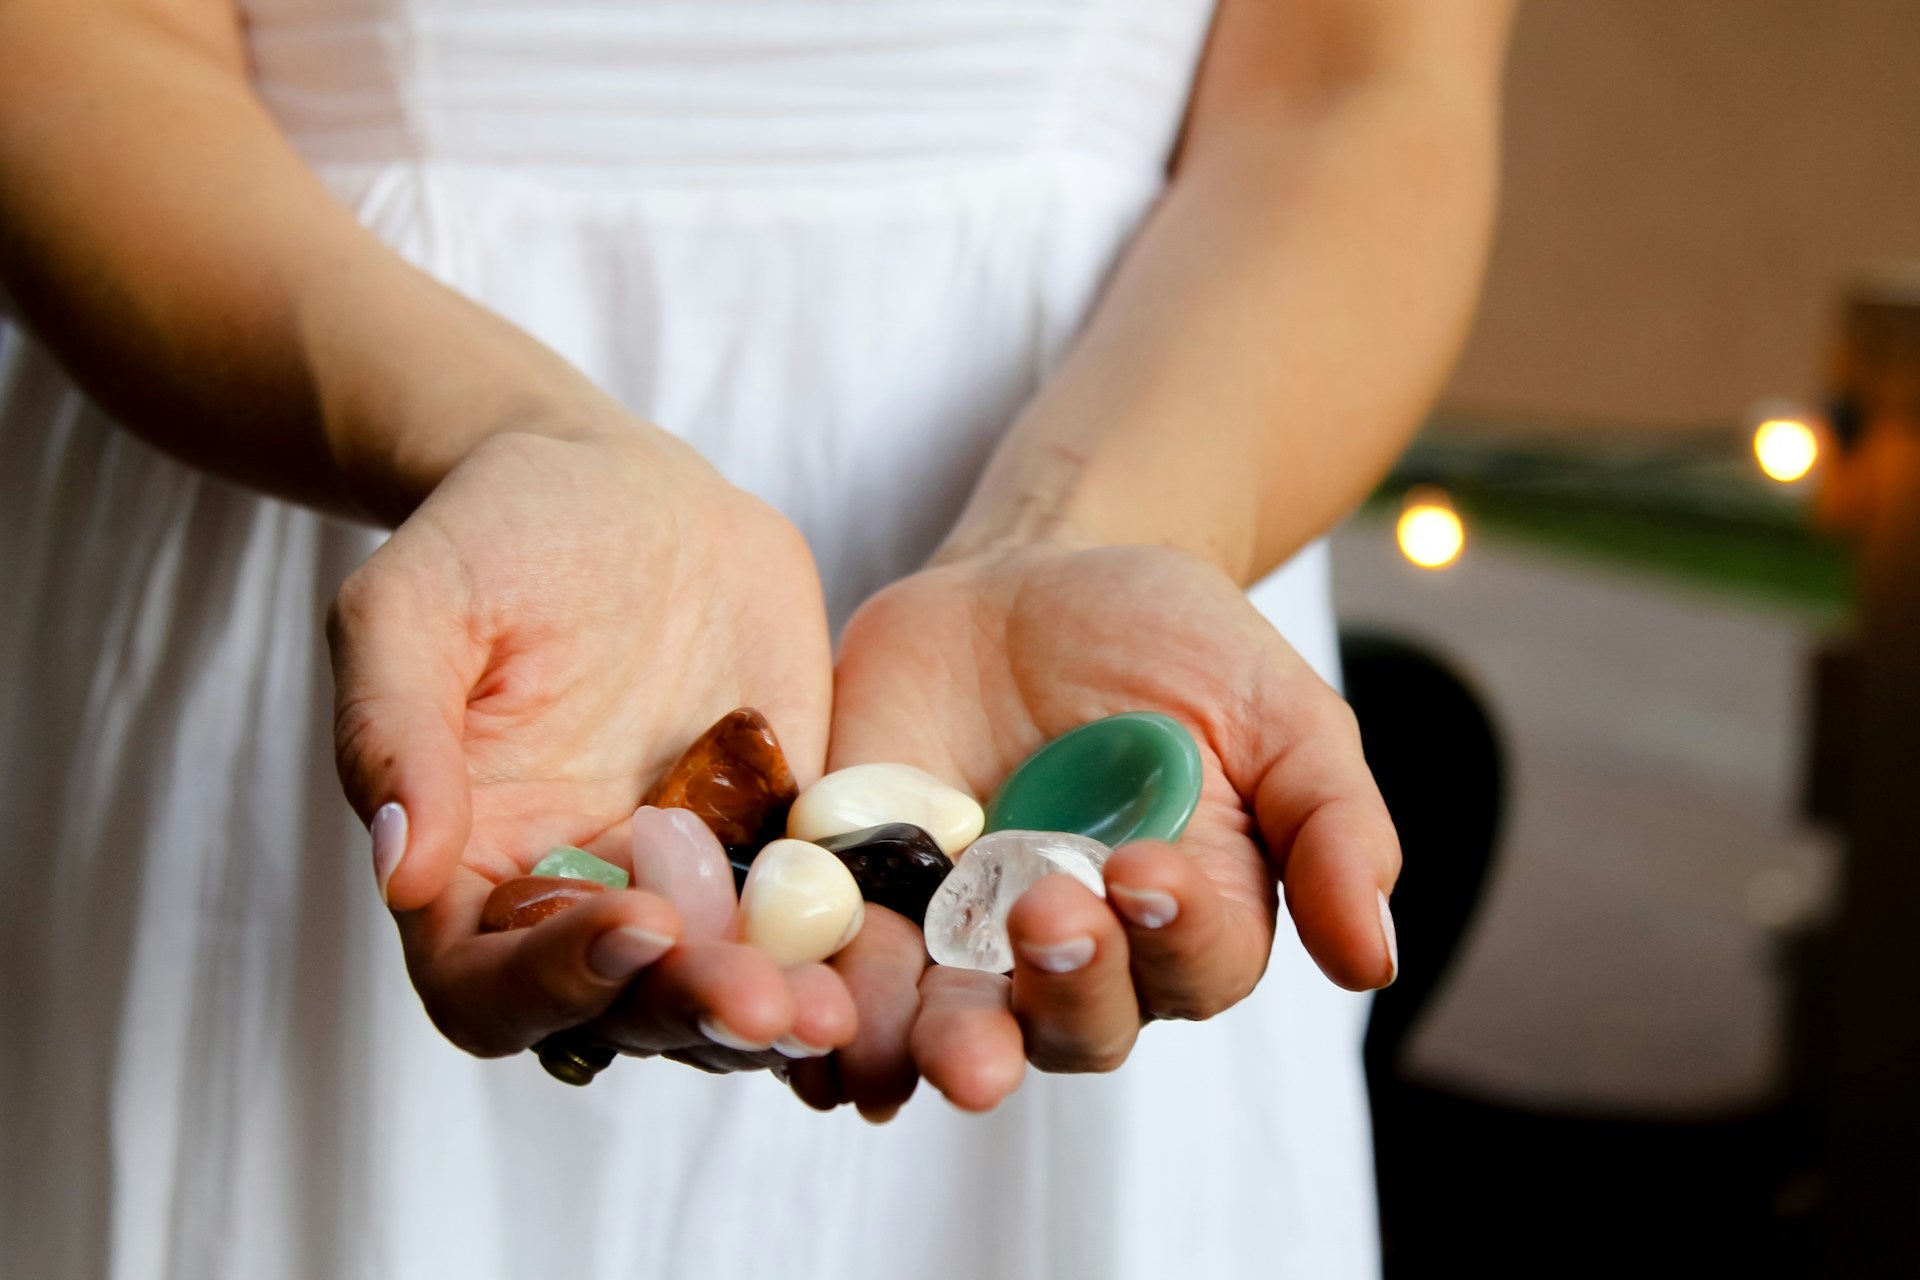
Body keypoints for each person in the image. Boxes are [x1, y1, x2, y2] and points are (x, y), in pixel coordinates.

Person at [0, 0, 1511, 1274]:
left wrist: (1109, 524)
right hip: (347, 452)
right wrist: (501, 434)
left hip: (1134, 444)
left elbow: (1360, 94)